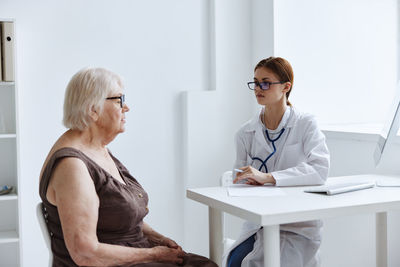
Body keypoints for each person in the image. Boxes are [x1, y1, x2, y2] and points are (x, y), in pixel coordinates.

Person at [39, 67, 217, 267]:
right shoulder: (72, 166)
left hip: (134, 255)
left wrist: (157, 238)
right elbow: (85, 253)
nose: (126, 107)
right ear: (93, 110)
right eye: (119, 100)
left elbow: (118, 215)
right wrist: (154, 255)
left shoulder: (97, 149)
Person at [223, 57, 330, 267]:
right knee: (234, 262)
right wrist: (245, 181)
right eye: (255, 82)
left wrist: (269, 178)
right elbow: (238, 179)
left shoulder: (305, 124)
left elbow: (320, 169)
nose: (258, 88)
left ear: (286, 87)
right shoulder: (245, 133)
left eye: (265, 82)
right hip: (258, 224)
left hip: (296, 225)